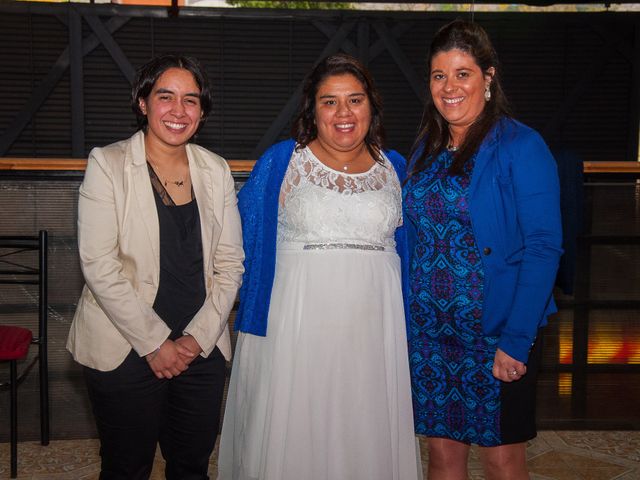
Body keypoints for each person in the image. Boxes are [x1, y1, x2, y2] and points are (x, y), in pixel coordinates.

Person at [218, 53, 420, 480]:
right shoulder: (282, 163)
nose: (343, 113)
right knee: (299, 431)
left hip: (374, 329)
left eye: (355, 100)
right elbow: (238, 240)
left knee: (365, 425)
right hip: (298, 330)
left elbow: (413, 253)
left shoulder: (396, 168)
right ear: (313, 110)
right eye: (330, 102)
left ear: (372, 106)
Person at [67, 54, 244, 479]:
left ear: (202, 111)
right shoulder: (107, 164)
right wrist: (155, 344)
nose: (179, 111)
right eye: (166, 97)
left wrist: (195, 340)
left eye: (192, 100)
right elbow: (98, 264)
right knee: (127, 468)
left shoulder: (216, 170)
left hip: (199, 348)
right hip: (124, 347)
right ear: (143, 102)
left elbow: (230, 262)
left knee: (191, 467)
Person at [403, 20, 562, 480]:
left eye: (462, 73)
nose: (449, 87)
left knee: (502, 460)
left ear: (487, 77)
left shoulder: (522, 146)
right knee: (443, 456)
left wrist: (516, 341)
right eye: (438, 75)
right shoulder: (425, 150)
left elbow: (544, 247)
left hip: (496, 331)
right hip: (431, 334)